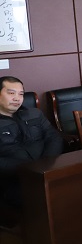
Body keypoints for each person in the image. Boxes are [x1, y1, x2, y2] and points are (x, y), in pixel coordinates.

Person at [0, 76, 63, 209]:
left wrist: (46, 163)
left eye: (21, 94)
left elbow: (53, 137)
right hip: (14, 180)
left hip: (47, 171)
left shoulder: (34, 113)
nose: (17, 98)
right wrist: (28, 169)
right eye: (11, 93)